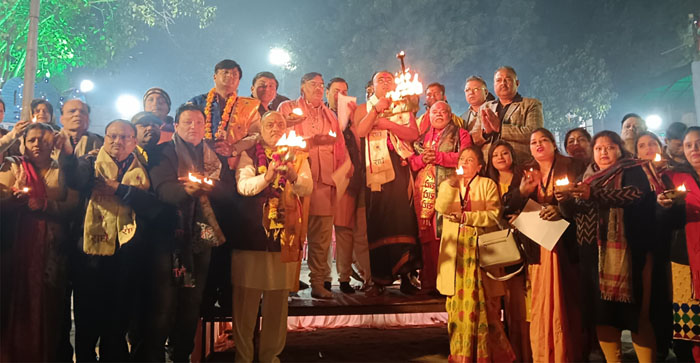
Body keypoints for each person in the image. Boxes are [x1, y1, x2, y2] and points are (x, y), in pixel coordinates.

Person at [58, 119, 165, 361]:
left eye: (125, 137)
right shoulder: (91, 163)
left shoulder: (143, 168)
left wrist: (120, 189)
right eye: (113, 136)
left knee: (117, 323)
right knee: (86, 321)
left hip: (127, 255)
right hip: (89, 256)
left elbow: (153, 206)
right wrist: (67, 155)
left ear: (134, 141)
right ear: (105, 138)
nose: (118, 142)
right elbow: (76, 179)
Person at [558, 130, 659, 363]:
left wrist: (592, 193)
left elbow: (633, 195)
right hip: (592, 256)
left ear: (620, 149)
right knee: (602, 316)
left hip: (629, 255)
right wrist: (565, 201)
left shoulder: (634, 169)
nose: (603, 152)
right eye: (598, 148)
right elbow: (573, 215)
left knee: (636, 316)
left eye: (609, 147)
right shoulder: (587, 177)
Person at [147, 103, 237, 361]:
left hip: (201, 238)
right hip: (169, 238)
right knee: (163, 305)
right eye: (187, 122)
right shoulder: (164, 152)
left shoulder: (212, 157)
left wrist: (207, 187)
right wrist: (185, 191)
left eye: (199, 122)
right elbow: (162, 189)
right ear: (176, 126)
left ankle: (182, 355)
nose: (194, 127)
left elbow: (228, 190)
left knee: (191, 304)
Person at [232, 111, 312, 362]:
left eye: (280, 124)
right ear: (260, 128)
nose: (276, 127)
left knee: (278, 302)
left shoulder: (296, 154)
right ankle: (243, 357)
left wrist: (293, 176)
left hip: (284, 234)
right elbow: (243, 186)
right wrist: (267, 177)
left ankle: (270, 356)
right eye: (270, 124)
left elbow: (308, 187)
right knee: (245, 300)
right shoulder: (249, 153)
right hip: (251, 233)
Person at [0, 123, 78, 362]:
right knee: (13, 307)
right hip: (14, 250)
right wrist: (12, 198)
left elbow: (72, 206)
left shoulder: (62, 170)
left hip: (52, 254)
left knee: (49, 310)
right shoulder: (13, 164)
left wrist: (45, 204)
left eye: (44, 140)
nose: (37, 145)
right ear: (23, 142)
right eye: (32, 140)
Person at [505, 128, 585, 362]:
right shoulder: (525, 170)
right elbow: (507, 205)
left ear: (553, 144)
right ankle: (544, 353)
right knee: (541, 302)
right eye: (533, 142)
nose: (538, 145)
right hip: (538, 244)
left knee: (568, 299)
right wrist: (521, 192)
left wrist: (561, 210)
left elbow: (584, 201)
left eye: (543, 140)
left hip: (567, 244)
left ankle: (570, 352)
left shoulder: (572, 166)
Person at [434, 146, 515, 362]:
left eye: (470, 160)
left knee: (486, 307)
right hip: (456, 254)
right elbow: (440, 208)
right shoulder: (447, 185)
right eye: (462, 159)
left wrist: (467, 218)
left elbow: (494, 215)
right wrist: (451, 186)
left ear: (479, 166)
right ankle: (461, 355)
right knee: (456, 309)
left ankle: (486, 355)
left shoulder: (487, 185)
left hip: (480, 251)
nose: (464, 163)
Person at [278, 72, 349, 299]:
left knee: (321, 239)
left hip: (324, 183)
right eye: (313, 84)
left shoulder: (330, 115)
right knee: (293, 234)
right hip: (296, 180)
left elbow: (341, 150)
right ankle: (287, 282)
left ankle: (318, 282)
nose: (318, 88)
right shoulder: (288, 108)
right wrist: (313, 142)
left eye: (321, 85)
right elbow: (279, 138)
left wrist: (341, 180)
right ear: (302, 87)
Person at [355, 70, 421, 294]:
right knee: (379, 222)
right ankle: (380, 280)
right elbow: (362, 131)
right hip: (375, 174)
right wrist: (376, 110)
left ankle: (407, 276)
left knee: (403, 221)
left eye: (388, 79)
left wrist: (388, 124)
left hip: (399, 171)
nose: (385, 82)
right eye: (379, 80)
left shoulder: (404, 106)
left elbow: (413, 134)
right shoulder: (366, 108)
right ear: (372, 87)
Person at [408, 101, 471, 294]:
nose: (439, 115)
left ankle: (448, 284)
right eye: (435, 111)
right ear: (429, 115)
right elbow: (412, 161)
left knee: (447, 236)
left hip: (450, 192)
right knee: (426, 237)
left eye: (444, 111)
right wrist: (422, 160)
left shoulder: (461, 134)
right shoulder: (422, 137)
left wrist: (438, 157)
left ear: (451, 115)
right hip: (425, 194)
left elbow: (466, 158)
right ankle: (429, 282)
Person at [485, 140, 531, 361]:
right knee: (494, 304)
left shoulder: (523, 179)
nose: (500, 157)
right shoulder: (487, 182)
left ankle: (522, 352)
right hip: (495, 245)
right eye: (495, 155)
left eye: (505, 153)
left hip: (521, 242)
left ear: (513, 155)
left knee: (518, 304)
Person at [326, 77, 372, 293]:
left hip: (360, 179)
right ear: (328, 93)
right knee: (341, 230)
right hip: (336, 179)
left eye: (344, 91)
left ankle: (368, 276)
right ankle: (342, 278)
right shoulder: (324, 116)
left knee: (361, 230)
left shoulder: (354, 116)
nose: (340, 96)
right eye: (336, 91)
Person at [634, 130, 676, 360]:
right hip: (647, 244)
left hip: (672, 242)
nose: (649, 148)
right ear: (635, 151)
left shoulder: (672, 174)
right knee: (654, 296)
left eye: (653, 143)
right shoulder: (635, 175)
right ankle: (659, 345)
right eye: (642, 145)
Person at [665, 126, 700, 361]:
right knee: (692, 327)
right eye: (688, 145)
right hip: (686, 257)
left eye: (698, 143)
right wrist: (666, 205)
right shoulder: (675, 177)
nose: (694, 149)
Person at [189, 59, 261, 162]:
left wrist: (234, 149)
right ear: (215, 77)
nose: (230, 76)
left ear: (238, 82)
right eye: (225, 72)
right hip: (199, 159)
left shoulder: (248, 107)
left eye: (235, 74)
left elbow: (256, 134)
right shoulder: (196, 103)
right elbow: (184, 126)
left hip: (232, 164)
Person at [471, 66, 543, 162]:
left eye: (507, 80)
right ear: (494, 84)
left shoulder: (530, 104)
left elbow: (534, 134)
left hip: (518, 163)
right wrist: (485, 134)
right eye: (498, 80)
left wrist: (500, 128)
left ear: (517, 83)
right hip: (488, 166)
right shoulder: (485, 107)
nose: (503, 84)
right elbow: (473, 139)